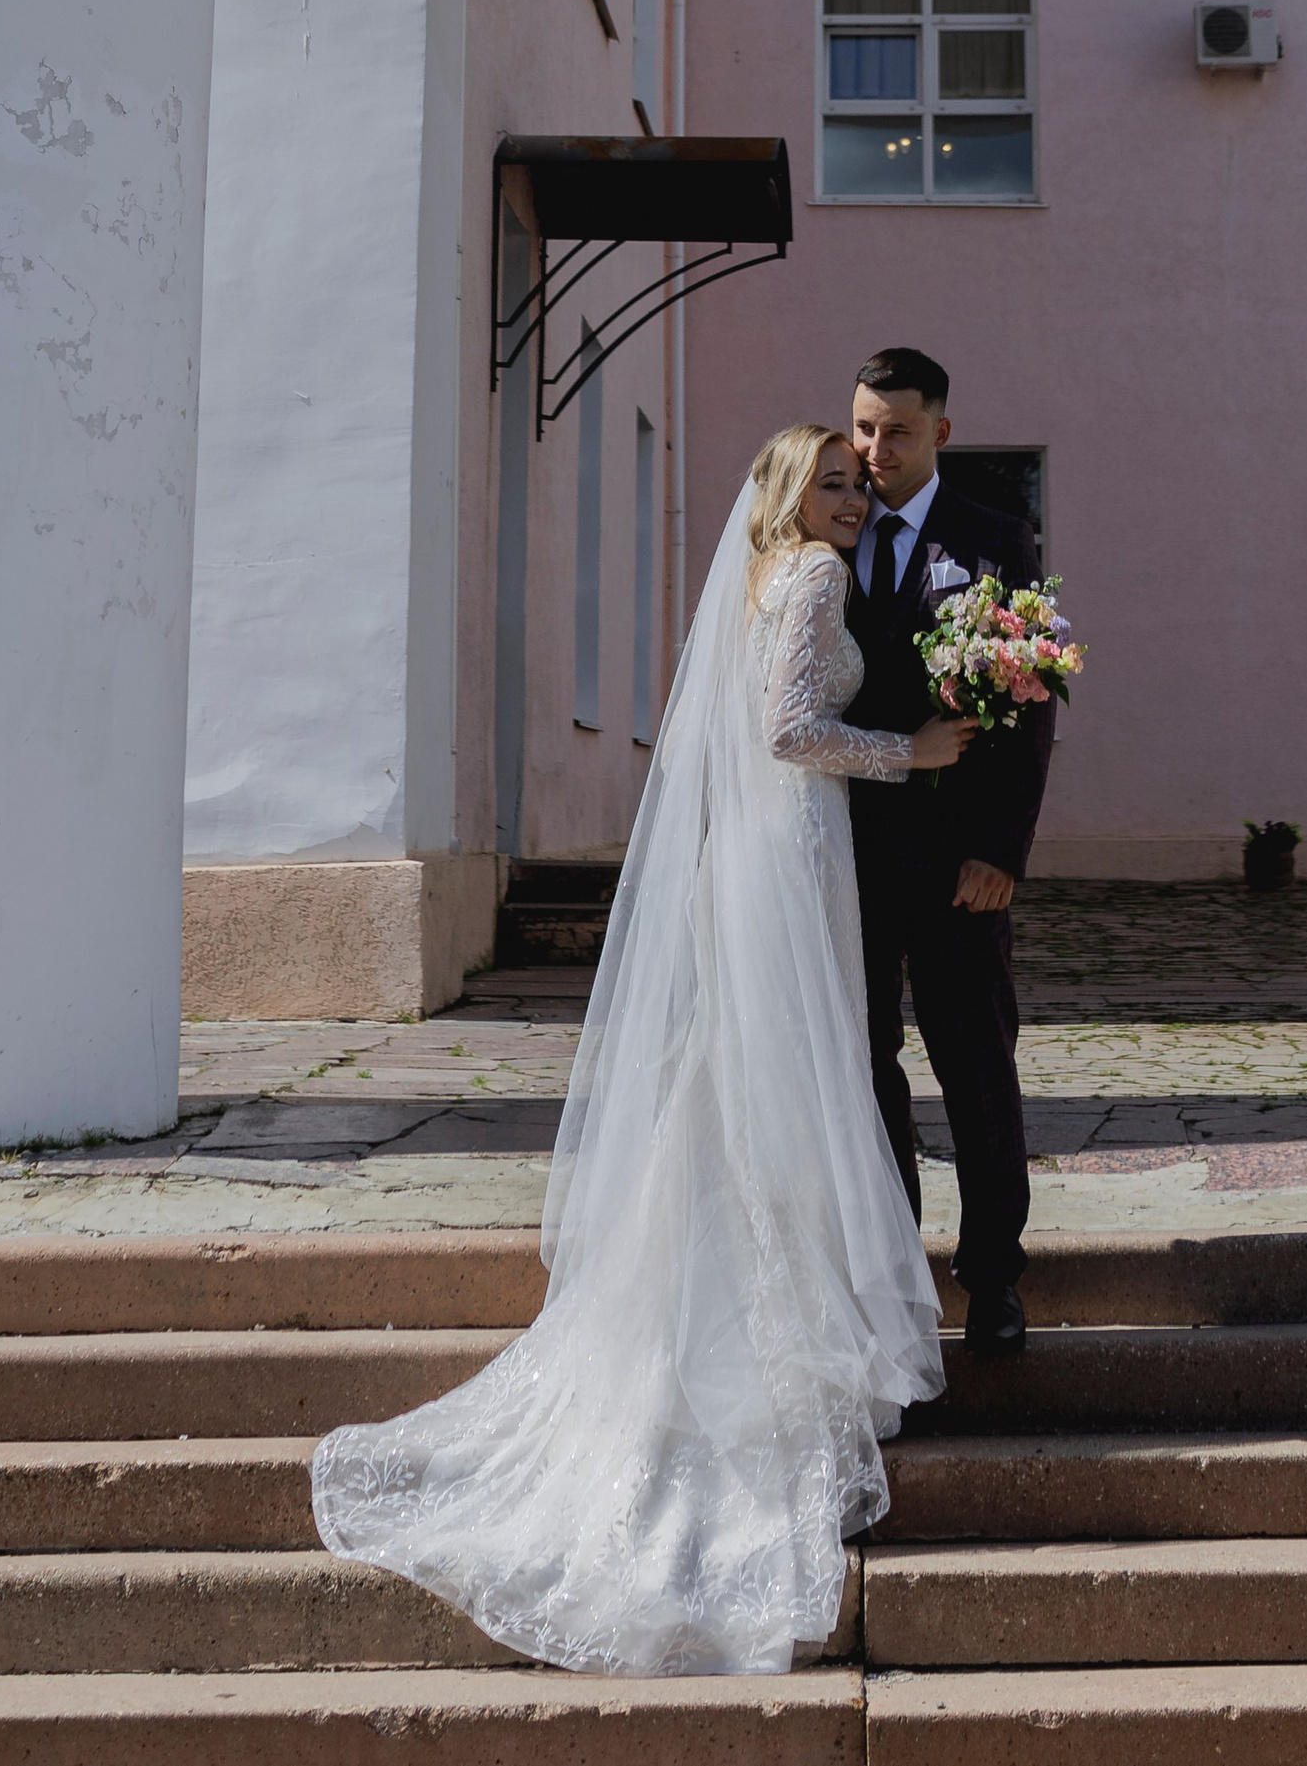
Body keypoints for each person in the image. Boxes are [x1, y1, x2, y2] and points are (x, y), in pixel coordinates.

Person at [309, 426, 977, 1676]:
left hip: (769, 856)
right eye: (830, 481)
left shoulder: (759, 572)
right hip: (796, 848)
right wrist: (912, 752)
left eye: (856, 480)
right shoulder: (819, 577)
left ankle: (732, 1298)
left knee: (756, 1082)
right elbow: (786, 728)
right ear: (786, 492)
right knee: (793, 1080)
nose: (851, 495)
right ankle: (784, 1333)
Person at [841, 343, 1057, 1358]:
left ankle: (994, 1279)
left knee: (975, 1069)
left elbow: (1030, 705)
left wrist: (999, 848)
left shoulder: (995, 540)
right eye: (863, 427)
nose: (874, 448)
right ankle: (894, 1275)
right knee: (862, 1066)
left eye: (896, 429)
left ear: (942, 433)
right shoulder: (823, 533)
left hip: (960, 867)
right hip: (840, 861)